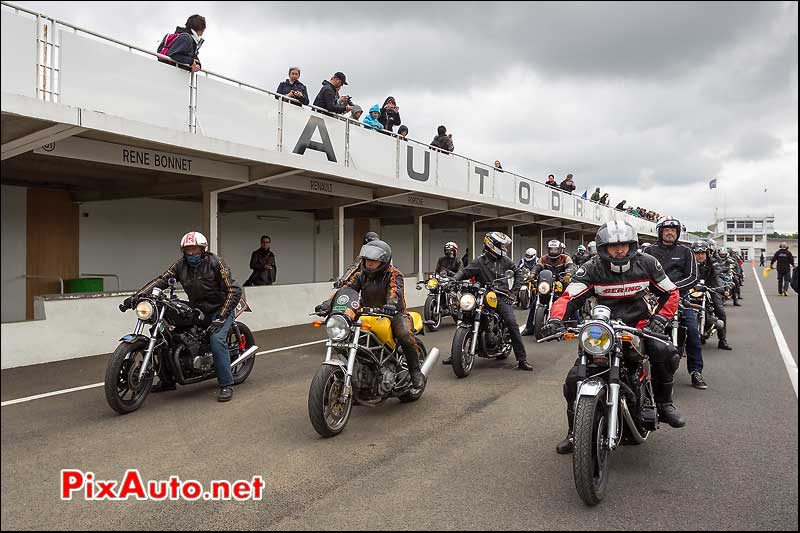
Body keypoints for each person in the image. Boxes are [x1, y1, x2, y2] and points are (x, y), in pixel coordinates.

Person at [544, 221, 685, 455]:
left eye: (624, 245)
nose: (619, 250)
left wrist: (660, 319)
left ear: (632, 245)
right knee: (573, 380)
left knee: (666, 353)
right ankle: (574, 432)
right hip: (601, 328)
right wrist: (555, 320)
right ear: (603, 248)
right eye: (613, 246)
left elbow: (671, 292)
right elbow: (569, 297)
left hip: (639, 325)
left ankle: (664, 403)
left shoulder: (647, 263)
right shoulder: (591, 268)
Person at [122, 232, 241, 402]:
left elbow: (234, 290)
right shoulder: (180, 265)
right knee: (167, 335)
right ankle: (167, 380)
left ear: (202, 249)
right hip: (198, 306)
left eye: (194, 249)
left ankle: (226, 384)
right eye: (188, 250)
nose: (191, 253)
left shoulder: (216, 263)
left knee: (216, 339)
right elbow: (162, 280)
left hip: (221, 307)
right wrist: (137, 296)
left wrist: (222, 316)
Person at [316, 240, 426, 388]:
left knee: (404, 335)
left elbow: (395, 290)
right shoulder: (361, 276)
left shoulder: (394, 274)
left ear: (383, 261)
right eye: (367, 260)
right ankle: (362, 371)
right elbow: (346, 289)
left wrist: (391, 304)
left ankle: (415, 372)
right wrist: (329, 304)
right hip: (367, 312)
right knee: (344, 334)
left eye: (373, 261)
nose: (369, 264)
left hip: (394, 313)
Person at [451, 232, 533, 371]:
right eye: (502, 245)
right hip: (482, 295)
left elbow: (518, 273)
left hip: (501, 296)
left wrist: (513, 292)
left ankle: (522, 359)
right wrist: (453, 280)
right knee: (464, 315)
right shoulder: (480, 261)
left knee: (512, 323)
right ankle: (456, 353)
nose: (505, 248)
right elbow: (465, 272)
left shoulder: (506, 260)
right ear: (492, 245)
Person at [644, 218, 704, 389]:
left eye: (673, 230)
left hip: (680, 298)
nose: (670, 233)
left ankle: (696, 371)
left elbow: (693, 277)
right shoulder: (649, 250)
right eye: (666, 230)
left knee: (693, 331)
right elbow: (642, 273)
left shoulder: (686, 252)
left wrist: (672, 289)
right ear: (660, 232)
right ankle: (639, 372)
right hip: (654, 299)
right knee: (641, 330)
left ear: (677, 233)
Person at [522, 239, 575, 335]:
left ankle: (575, 325)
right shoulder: (544, 258)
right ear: (548, 249)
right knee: (535, 304)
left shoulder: (565, 258)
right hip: (547, 284)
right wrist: (533, 274)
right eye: (551, 249)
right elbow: (537, 266)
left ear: (559, 250)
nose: (553, 251)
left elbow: (571, 266)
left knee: (571, 301)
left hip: (562, 283)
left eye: (555, 249)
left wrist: (568, 274)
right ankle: (529, 328)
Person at [692, 241, 732, 353]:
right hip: (693, 289)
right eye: (697, 253)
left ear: (707, 253)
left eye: (703, 253)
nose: (700, 255)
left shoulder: (713, 262)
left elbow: (717, 274)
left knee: (720, 311)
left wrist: (722, 287)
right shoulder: (689, 263)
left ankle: (722, 340)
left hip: (710, 288)